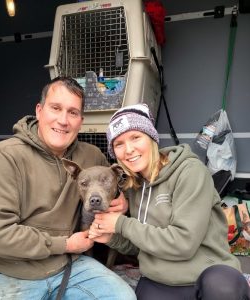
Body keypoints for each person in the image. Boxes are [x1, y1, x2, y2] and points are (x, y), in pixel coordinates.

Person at [0, 76, 136, 300]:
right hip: (12, 270)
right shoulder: (4, 156)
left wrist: (122, 200)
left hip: (71, 265)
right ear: (39, 111)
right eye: (56, 108)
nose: (63, 120)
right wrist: (66, 244)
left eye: (72, 112)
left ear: (81, 120)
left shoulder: (91, 156)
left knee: (123, 297)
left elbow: (117, 183)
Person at [89, 103, 250, 300]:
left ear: (151, 138)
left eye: (135, 137)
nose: (128, 149)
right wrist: (112, 238)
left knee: (224, 287)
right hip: (161, 279)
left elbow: (183, 243)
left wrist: (121, 223)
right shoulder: (134, 187)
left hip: (207, 273)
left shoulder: (190, 171)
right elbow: (145, 244)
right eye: (119, 144)